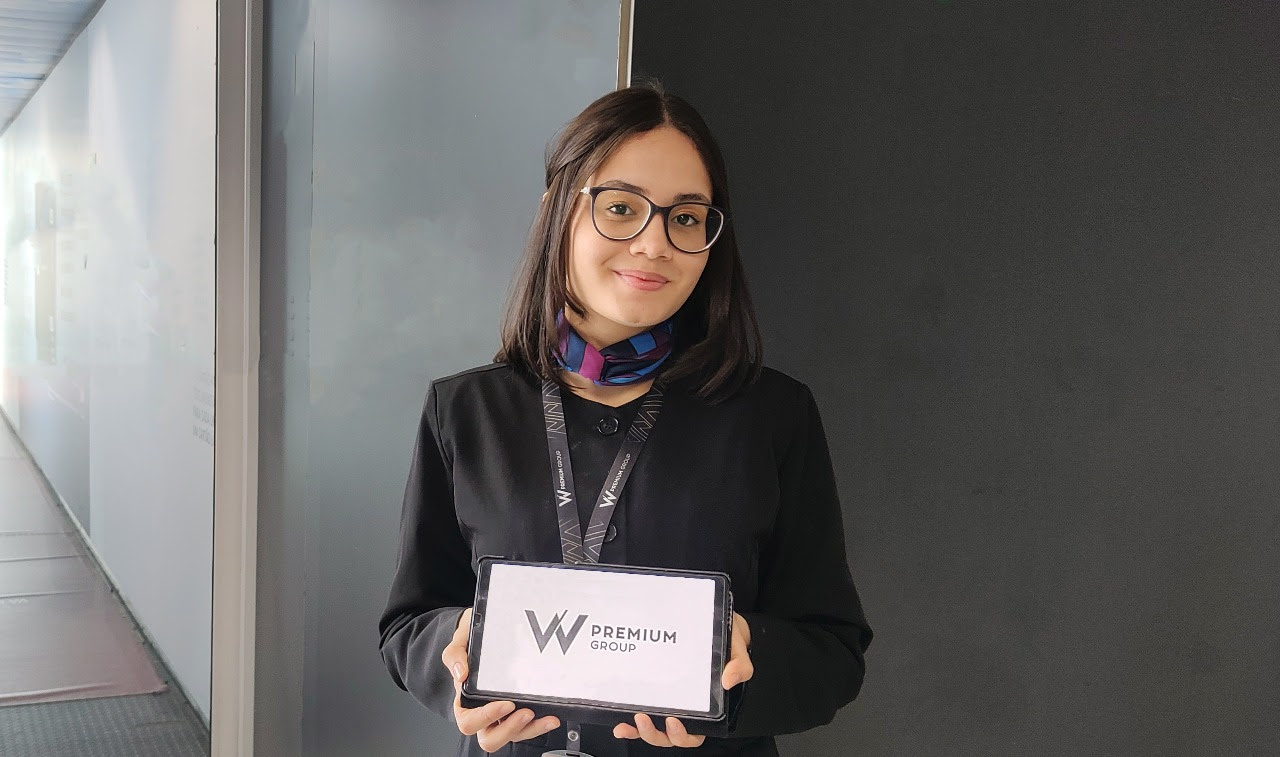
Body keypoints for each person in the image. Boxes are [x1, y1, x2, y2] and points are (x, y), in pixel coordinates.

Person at [378, 83, 871, 757]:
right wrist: (453, 654)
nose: (653, 243)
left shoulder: (771, 415)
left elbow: (833, 651)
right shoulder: (465, 412)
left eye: (686, 218)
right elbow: (408, 622)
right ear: (558, 212)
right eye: (620, 208)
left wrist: (746, 662)